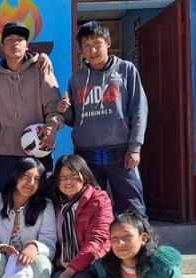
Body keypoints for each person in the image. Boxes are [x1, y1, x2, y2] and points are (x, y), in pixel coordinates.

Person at [58, 21, 148, 216]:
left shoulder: (126, 70)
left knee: (132, 205)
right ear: (81, 50)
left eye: (97, 44)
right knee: (92, 207)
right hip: (86, 154)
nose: (92, 50)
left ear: (107, 42)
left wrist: (135, 147)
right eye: (86, 46)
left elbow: (139, 109)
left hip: (121, 152)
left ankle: (142, 246)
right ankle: (98, 247)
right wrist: (64, 110)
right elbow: (74, 119)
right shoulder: (77, 79)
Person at [0, 21, 63, 189]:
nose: (15, 43)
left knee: (40, 199)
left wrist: (52, 128)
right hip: (7, 154)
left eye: (20, 39)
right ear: (2, 47)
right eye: (9, 39)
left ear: (27, 46)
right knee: (9, 200)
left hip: (38, 149)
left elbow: (54, 106)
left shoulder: (41, 70)